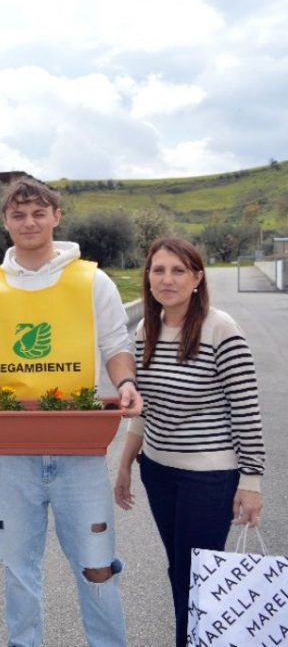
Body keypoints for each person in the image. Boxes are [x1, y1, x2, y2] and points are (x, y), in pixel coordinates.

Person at [0, 176, 143, 647]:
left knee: (97, 566)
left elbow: (116, 345)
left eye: (39, 213)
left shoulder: (91, 280)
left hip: (80, 447)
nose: (29, 222)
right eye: (18, 214)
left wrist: (125, 382)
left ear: (56, 217)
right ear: (5, 223)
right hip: (13, 452)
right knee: (18, 567)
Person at [113, 237, 264, 647]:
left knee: (199, 577)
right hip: (159, 472)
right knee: (179, 570)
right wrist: (126, 464)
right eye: (158, 270)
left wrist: (250, 482)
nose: (167, 279)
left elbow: (246, 410)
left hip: (209, 478)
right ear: (148, 277)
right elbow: (145, 409)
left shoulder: (221, 329)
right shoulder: (148, 328)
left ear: (197, 278)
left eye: (178, 270)